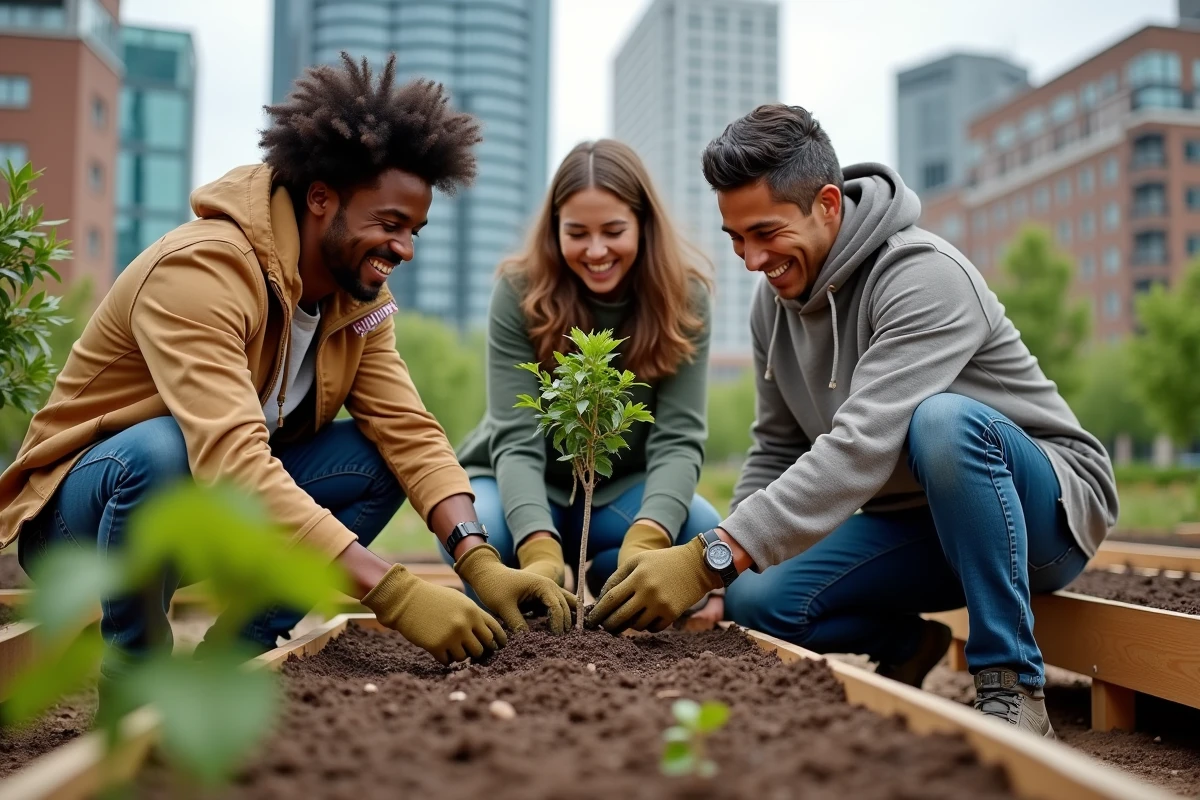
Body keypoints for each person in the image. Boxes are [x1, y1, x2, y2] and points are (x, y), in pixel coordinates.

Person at [0, 54, 574, 676]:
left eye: (415, 229)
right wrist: (396, 593)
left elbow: (409, 432)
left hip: (208, 509)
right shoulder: (202, 270)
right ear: (321, 199)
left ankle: (231, 658)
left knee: (375, 460)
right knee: (166, 448)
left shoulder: (357, 301)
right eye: (389, 223)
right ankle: (135, 675)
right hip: (79, 519)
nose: (404, 249)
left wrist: (478, 561)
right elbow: (231, 458)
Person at [587, 105, 1118, 738]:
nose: (751, 260)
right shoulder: (774, 304)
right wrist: (730, 572)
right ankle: (906, 643)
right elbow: (777, 445)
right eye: (735, 239)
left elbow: (861, 445)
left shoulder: (923, 275)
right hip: (917, 526)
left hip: (1043, 518)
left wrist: (709, 557)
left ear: (829, 205)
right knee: (760, 600)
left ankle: (1011, 684)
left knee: (942, 424)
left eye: (765, 233)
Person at [454, 139, 721, 614]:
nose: (596, 250)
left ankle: (611, 566)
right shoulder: (519, 292)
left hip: (616, 493)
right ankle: (549, 576)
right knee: (482, 532)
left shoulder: (686, 298)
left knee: (698, 525)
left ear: (643, 224)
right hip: (516, 484)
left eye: (614, 230)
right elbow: (516, 438)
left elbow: (678, 439)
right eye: (577, 232)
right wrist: (538, 553)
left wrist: (645, 542)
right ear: (554, 228)